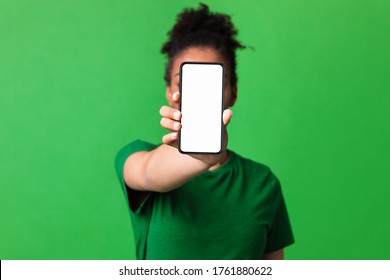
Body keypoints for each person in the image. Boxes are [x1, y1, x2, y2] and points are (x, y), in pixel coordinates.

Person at [115, 3, 294, 260]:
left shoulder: (262, 183)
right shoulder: (135, 156)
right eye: (186, 80)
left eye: (213, 83)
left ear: (232, 92)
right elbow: (151, 174)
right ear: (170, 91)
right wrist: (198, 157)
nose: (199, 94)